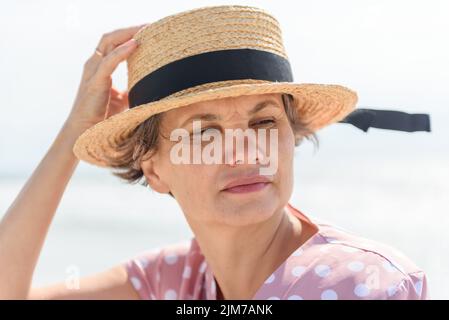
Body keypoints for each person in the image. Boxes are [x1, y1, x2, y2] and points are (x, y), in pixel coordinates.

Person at [0, 5, 428, 300]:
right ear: (153, 169)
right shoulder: (178, 280)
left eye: (264, 122)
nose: (246, 153)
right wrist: (73, 134)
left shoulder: (366, 284)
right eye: (205, 133)